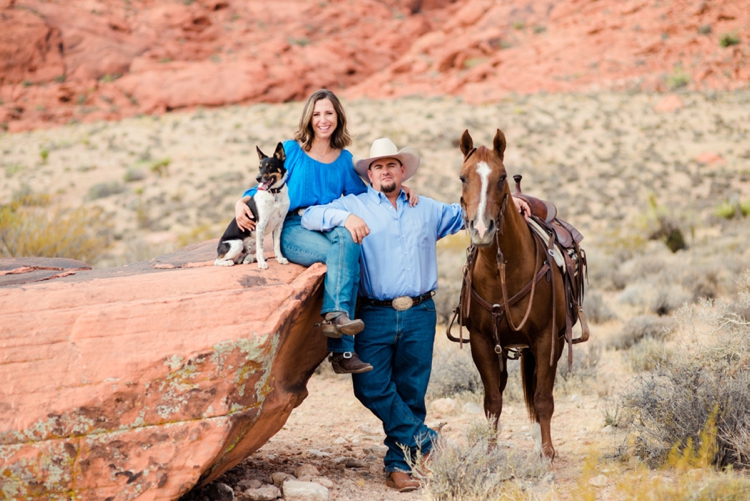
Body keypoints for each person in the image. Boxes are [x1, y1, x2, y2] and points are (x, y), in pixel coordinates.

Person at [301, 138, 463, 492]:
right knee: (370, 386)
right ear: (369, 174)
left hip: (421, 310)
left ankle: (398, 465)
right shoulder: (354, 204)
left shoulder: (428, 208)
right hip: (373, 313)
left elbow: (467, 214)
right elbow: (310, 216)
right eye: (377, 166)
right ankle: (427, 441)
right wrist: (345, 217)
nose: (385, 171)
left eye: (391, 165)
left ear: (402, 171)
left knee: (411, 391)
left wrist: (514, 202)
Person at [233, 90, 417, 374]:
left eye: (329, 113)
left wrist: (397, 187)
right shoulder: (292, 150)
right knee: (344, 254)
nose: (323, 120)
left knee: (349, 242)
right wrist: (241, 201)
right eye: (317, 114)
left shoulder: (345, 161)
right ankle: (342, 349)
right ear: (309, 118)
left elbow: (366, 195)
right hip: (293, 226)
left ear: (338, 117)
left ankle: (337, 326)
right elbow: (269, 183)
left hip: (330, 225)